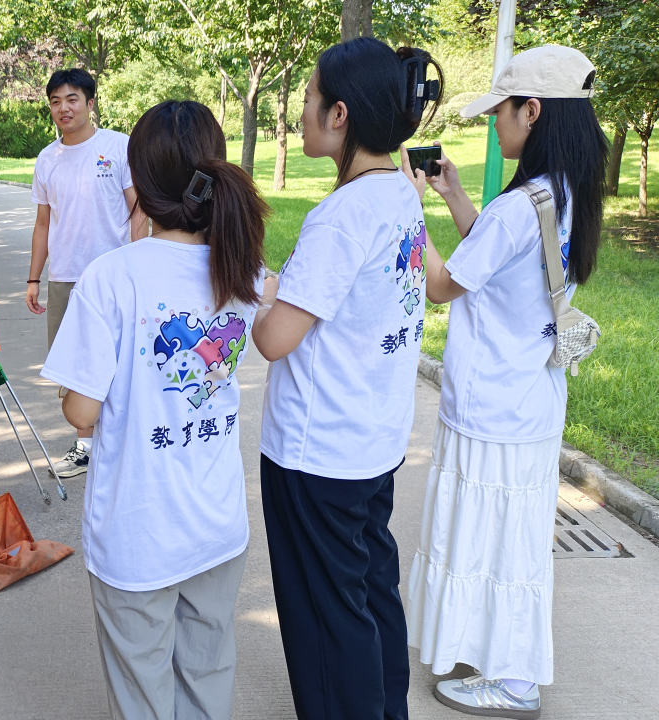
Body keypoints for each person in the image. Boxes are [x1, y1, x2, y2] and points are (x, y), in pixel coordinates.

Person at [42, 100, 269, 720]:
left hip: (139, 534)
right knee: (208, 677)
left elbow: (81, 413)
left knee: (143, 694)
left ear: (136, 181)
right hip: (217, 527)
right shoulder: (241, 266)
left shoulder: (112, 276)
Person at [404, 45, 607, 720]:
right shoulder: (564, 193)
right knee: (509, 536)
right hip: (532, 400)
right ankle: (502, 659)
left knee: (489, 534)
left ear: (534, 111)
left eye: (503, 112)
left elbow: (442, 285)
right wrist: (456, 196)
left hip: (493, 403)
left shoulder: (521, 206)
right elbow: (496, 271)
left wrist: (410, 214)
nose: (497, 125)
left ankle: (515, 681)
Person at [251, 38, 442, 720]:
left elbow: (275, 339)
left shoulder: (341, 213)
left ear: (338, 114)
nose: (298, 114)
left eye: (306, 99)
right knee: (370, 593)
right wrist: (283, 287)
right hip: (372, 440)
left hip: (317, 452)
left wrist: (250, 297)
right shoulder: (398, 192)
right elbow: (341, 299)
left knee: (328, 622)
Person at [26, 68, 144, 480]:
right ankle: (85, 445)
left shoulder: (118, 146)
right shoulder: (47, 158)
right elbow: (43, 224)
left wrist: (136, 263)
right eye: (56, 101)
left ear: (90, 102)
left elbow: (138, 210)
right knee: (74, 365)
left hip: (112, 275)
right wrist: (33, 278)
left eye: (72, 99)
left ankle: (122, 439)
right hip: (64, 277)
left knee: (120, 359)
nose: (64, 108)